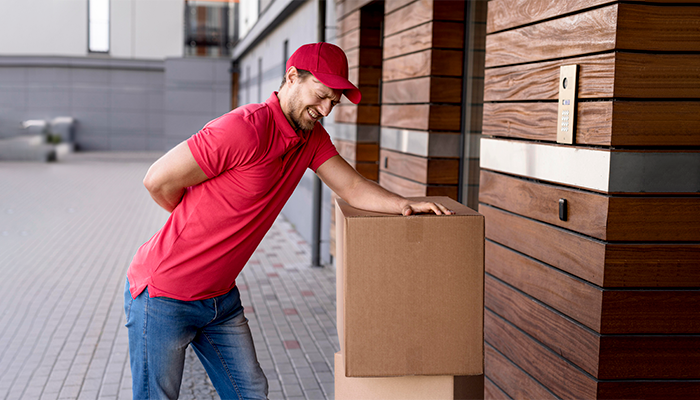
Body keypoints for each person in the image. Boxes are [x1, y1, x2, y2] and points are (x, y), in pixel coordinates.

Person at [123, 42, 454, 399]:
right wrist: (194, 222)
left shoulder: (310, 138)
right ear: (292, 77)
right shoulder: (243, 128)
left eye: (334, 102)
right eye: (322, 95)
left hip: (220, 299)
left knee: (251, 393)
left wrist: (404, 204)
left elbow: (353, 187)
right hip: (163, 296)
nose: (326, 109)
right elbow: (157, 180)